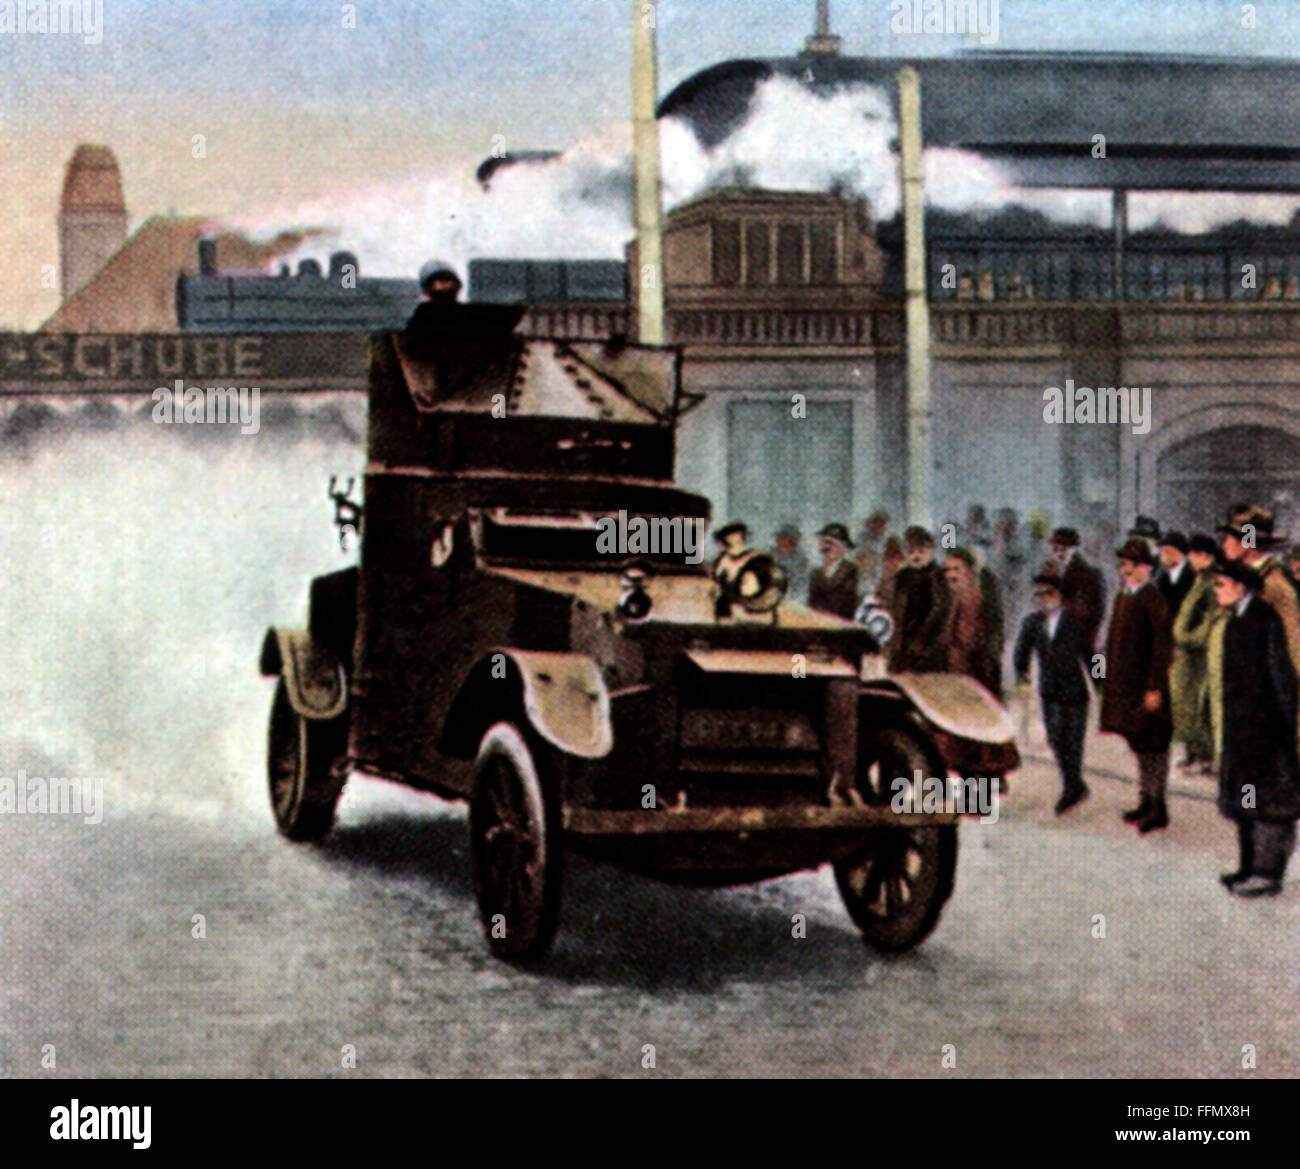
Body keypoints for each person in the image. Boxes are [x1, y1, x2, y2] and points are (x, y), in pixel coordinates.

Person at [1213, 558, 1300, 896]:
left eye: (1221, 585)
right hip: (1242, 732)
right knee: (1245, 802)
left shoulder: (1264, 620)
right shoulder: (1236, 620)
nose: (1216, 591)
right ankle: (1248, 867)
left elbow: (1282, 679)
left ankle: (1268, 874)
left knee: (1269, 807)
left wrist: (1282, 728)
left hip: (1265, 733)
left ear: (1239, 587)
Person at [1100, 538, 1174, 833]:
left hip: (1148, 689)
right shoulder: (1124, 595)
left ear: (1146, 567)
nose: (1125, 570)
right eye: (1122, 565)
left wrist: (1155, 687)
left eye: (1131, 565)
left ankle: (1158, 807)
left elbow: (1162, 647)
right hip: (1127, 687)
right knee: (1141, 746)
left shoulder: (1152, 598)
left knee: (1155, 746)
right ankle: (1146, 800)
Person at [1014, 572, 1094, 814]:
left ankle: (1071, 788)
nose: (1042, 599)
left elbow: (1092, 656)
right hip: (1049, 690)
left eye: (1048, 594)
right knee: (1055, 739)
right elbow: (1021, 653)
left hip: (1076, 692)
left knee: (1073, 743)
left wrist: (1102, 683)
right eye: (1038, 595)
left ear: (1059, 596)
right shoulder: (1031, 623)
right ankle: (1076, 785)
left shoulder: (1075, 622)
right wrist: (1023, 679)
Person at [939, 550, 1022, 781]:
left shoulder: (972, 599)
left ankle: (981, 798)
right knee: (969, 747)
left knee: (977, 748)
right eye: (947, 570)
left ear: (969, 571)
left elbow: (967, 642)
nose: (951, 575)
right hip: (964, 680)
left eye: (956, 569)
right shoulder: (958, 598)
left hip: (972, 679)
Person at [1170, 534, 1224, 773]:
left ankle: (1207, 756)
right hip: (1188, 653)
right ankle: (1194, 753)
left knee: (1201, 705)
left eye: (1193, 554)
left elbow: (1213, 616)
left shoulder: (1212, 581)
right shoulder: (1200, 578)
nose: (1190, 558)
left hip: (1200, 652)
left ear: (1205, 556)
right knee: (1187, 703)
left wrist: (1190, 638)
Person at [888, 526, 950, 673]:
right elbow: (896, 610)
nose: (916, 556)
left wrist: (921, 640)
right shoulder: (903, 576)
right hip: (903, 644)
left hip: (929, 646)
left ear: (931, 551)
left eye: (921, 552)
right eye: (911, 552)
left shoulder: (937, 576)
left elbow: (939, 609)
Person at [1048, 527, 1106, 652]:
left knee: (1096, 668)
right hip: (1068, 637)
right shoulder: (1056, 570)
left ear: (1070, 549)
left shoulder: (1087, 573)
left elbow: (1089, 609)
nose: (1055, 553)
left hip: (1083, 634)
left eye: (1059, 548)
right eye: (1054, 549)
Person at [808, 523, 859, 620]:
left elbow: (847, 604)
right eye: (823, 543)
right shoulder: (816, 573)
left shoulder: (851, 570)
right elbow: (812, 605)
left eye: (830, 543)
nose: (825, 548)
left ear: (843, 547)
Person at [1156, 530, 1193, 621]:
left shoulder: (1193, 576)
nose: (1163, 556)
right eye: (1161, 552)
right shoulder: (1161, 579)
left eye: (1168, 552)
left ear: (1181, 553)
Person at [772, 526, 810, 603]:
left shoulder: (801, 562)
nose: (785, 544)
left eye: (791, 542)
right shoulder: (766, 557)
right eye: (782, 539)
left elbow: (801, 589)